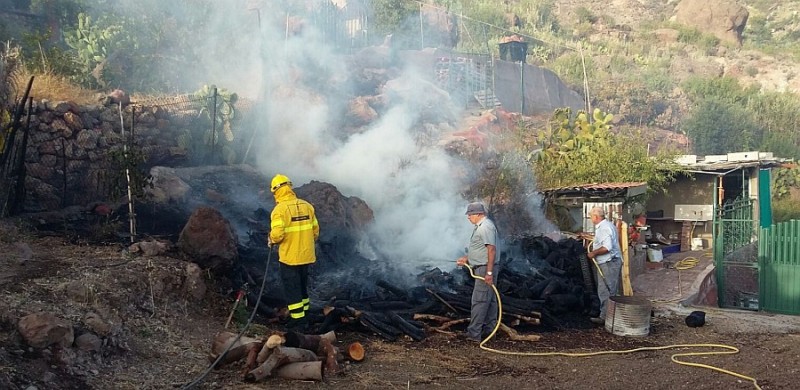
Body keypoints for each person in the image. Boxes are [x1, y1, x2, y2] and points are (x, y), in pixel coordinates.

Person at [268, 174, 320, 330]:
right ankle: (305, 315)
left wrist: (271, 238)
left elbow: (278, 235)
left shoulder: (279, 210)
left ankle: (298, 322)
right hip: (307, 255)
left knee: (293, 289)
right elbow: (315, 232)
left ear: (276, 191)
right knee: (303, 286)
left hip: (289, 258)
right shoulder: (307, 206)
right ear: (290, 188)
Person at [455, 202, 499, 342]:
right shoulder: (481, 226)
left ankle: (474, 335)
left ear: (479, 214)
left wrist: (489, 273)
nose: (468, 217)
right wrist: (467, 258)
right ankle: (490, 332)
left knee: (479, 300)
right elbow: (480, 248)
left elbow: (491, 250)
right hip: (483, 266)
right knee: (489, 300)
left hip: (484, 268)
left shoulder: (485, 227)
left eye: (470, 214)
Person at [586, 206, 622, 325]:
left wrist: (593, 253)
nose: (591, 219)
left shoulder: (604, 228)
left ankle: (605, 318)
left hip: (608, 263)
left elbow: (607, 247)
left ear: (596, 217)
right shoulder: (608, 225)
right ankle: (611, 316)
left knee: (605, 290)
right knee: (610, 289)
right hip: (610, 262)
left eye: (591, 216)